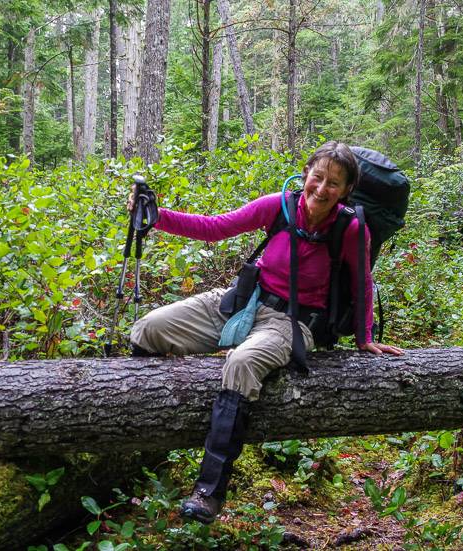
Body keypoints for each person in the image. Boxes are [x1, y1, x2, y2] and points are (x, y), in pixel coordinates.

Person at [126, 141, 404, 524]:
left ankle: (209, 492)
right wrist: (157, 217)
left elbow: (362, 283)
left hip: (293, 323)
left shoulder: (351, 228)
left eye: (333, 183)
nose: (322, 189)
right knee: (149, 328)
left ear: (346, 191)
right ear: (305, 174)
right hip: (244, 301)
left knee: (241, 363)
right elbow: (215, 228)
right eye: (317, 177)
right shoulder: (279, 204)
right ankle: (136, 444)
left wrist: (365, 338)